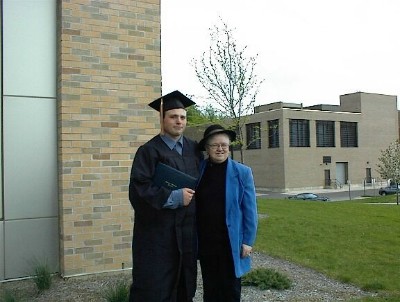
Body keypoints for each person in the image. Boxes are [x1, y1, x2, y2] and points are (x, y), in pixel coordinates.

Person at [128, 90, 204, 302]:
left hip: (187, 231)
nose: (179, 121)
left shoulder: (194, 149)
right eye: (173, 116)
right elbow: (138, 190)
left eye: (183, 117)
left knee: (185, 282)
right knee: (155, 285)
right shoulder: (149, 151)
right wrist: (174, 197)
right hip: (158, 234)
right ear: (162, 119)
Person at [196, 124, 258, 302]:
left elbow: (250, 210)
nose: (220, 149)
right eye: (215, 145)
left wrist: (248, 241)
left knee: (230, 289)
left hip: (231, 241)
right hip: (207, 242)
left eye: (224, 144)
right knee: (211, 288)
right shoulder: (199, 170)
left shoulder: (242, 173)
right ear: (207, 148)